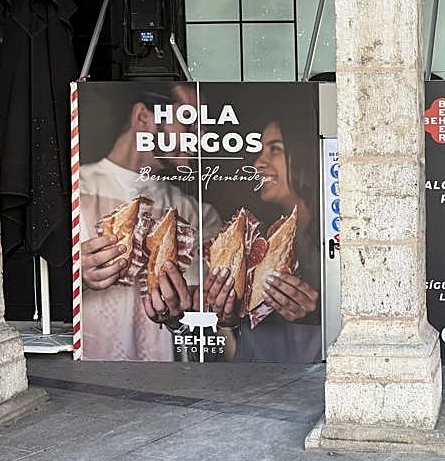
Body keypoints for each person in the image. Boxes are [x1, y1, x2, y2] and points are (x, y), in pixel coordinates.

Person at [78, 82, 231, 361]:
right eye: (189, 122)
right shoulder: (77, 191)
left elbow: (211, 312)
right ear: (142, 118)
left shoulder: (198, 213)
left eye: (204, 128)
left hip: (169, 380)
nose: (201, 136)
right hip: (92, 378)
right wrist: (75, 277)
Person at [231, 118, 322, 363]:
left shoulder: (332, 238)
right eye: (260, 151)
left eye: (275, 149)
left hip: (310, 380)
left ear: (302, 156)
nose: (259, 162)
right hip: (254, 376)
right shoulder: (255, 236)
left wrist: (317, 313)